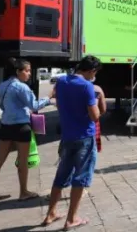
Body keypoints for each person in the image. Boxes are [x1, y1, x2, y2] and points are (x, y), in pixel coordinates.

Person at [43, 56, 101, 230]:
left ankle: (50, 213)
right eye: (95, 73)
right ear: (91, 71)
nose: (94, 76)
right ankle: (71, 218)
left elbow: (59, 104)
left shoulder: (61, 82)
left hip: (67, 135)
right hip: (84, 136)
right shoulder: (87, 86)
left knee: (61, 175)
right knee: (81, 177)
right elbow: (95, 116)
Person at [0, 58, 51, 204]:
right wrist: (49, 98)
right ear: (18, 72)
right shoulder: (22, 87)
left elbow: (2, 107)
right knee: (22, 161)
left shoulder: (3, 85)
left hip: (5, 126)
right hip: (21, 127)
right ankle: (23, 192)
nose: (28, 74)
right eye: (26, 71)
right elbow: (34, 105)